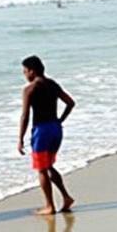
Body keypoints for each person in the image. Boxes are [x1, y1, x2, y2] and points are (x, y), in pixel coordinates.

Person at [18, 56, 76, 216]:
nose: (24, 74)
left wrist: (20, 139)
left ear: (32, 71)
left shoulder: (30, 89)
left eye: (24, 71)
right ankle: (66, 197)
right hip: (55, 129)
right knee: (48, 165)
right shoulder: (52, 84)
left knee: (41, 169)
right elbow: (70, 103)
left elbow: (25, 116)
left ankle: (49, 206)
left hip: (42, 131)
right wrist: (60, 120)